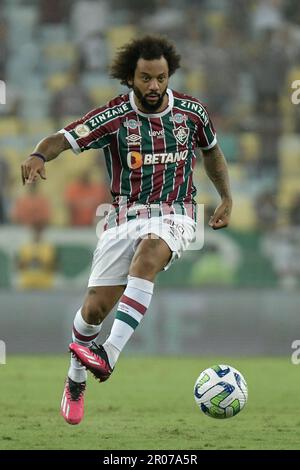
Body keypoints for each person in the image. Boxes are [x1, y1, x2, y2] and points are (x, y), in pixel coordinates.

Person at [20, 35, 232, 425]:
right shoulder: (113, 117)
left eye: (161, 77)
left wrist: (226, 197)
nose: (154, 86)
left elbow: (212, 152)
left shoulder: (192, 113)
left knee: (152, 248)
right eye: (146, 78)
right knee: (93, 310)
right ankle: (76, 376)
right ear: (130, 78)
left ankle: (109, 354)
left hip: (177, 213)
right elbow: (62, 140)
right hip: (121, 217)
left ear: (170, 75)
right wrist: (37, 154)